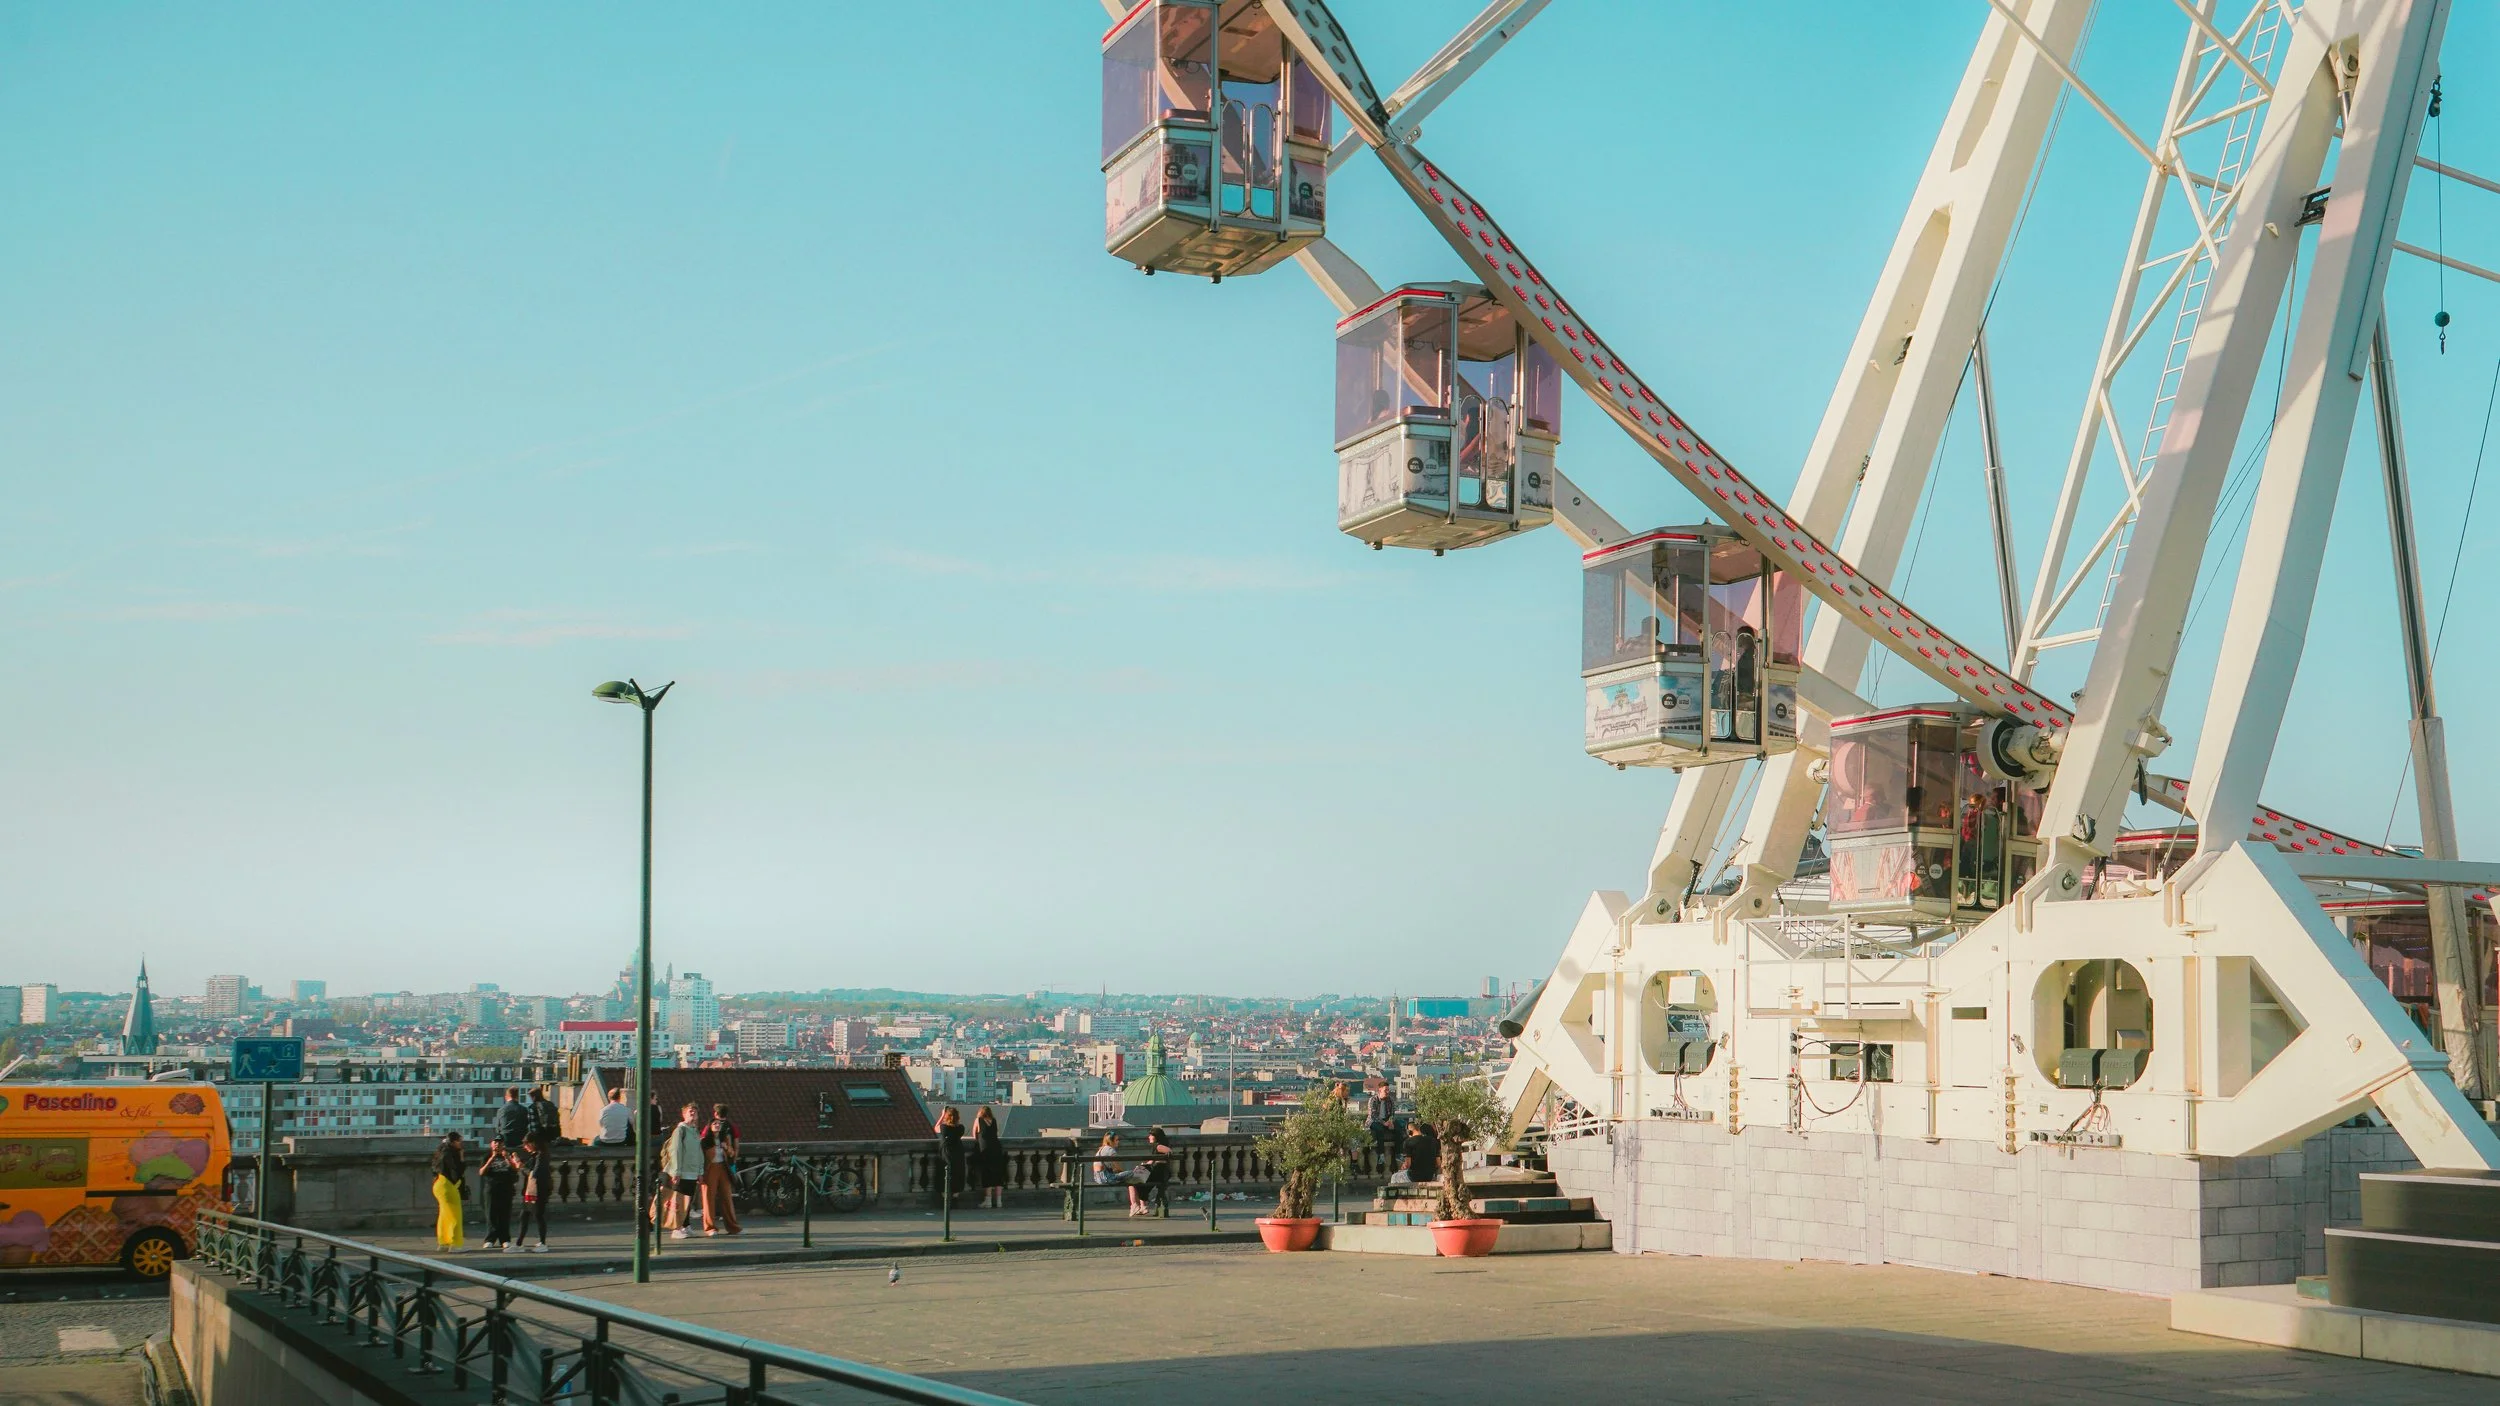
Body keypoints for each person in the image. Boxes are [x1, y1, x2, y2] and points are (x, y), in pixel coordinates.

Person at [659, 1103, 704, 1239]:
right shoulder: (680, 1130)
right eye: (690, 1111)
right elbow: (675, 1151)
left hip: (692, 1172)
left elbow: (699, 1152)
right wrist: (676, 1171)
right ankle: (676, 1228)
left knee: (688, 1202)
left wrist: (700, 1171)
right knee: (678, 1201)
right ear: (684, 1114)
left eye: (695, 1111)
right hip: (682, 1172)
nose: (693, 1113)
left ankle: (685, 1226)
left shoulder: (695, 1131)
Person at [699, 1103, 742, 1236]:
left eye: (719, 1124)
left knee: (727, 1197)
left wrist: (726, 1148)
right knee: (709, 1198)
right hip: (710, 1168)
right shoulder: (705, 1140)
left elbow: (732, 1153)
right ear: (710, 1126)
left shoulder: (725, 1138)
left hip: (723, 1167)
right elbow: (701, 1155)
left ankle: (733, 1227)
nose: (717, 1125)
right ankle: (710, 1227)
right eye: (715, 1124)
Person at [479, 1138, 521, 1251]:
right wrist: (491, 1159)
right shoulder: (486, 1156)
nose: (497, 1145)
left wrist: (507, 1158)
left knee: (505, 1214)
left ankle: (505, 1239)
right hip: (491, 1188)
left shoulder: (508, 1156)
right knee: (491, 1214)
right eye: (495, 1142)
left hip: (506, 1188)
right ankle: (490, 1239)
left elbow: (515, 1169)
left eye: (500, 1143)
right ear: (491, 1144)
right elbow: (481, 1172)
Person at [429, 1131, 467, 1252]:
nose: (461, 1143)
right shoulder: (452, 1153)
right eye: (460, 1141)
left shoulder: (441, 1151)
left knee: (444, 1215)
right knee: (455, 1215)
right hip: (448, 1186)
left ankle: (443, 1242)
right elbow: (457, 1170)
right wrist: (462, 1157)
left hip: (438, 1184)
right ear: (454, 1142)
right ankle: (455, 1244)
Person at [518, 1134, 553, 1252]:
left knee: (538, 1215)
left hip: (539, 1190)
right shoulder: (536, 1156)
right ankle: (519, 1243)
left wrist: (521, 1167)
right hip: (532, 1190)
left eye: (526, 1144)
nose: (525, 1147)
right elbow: (528, 1170)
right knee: (525, 1215)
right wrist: (520, 1165)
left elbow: (534, 1173)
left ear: (533, 1143)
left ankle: (542, 1243)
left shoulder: (541, 1156)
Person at [971, 1106, 1006, 1209]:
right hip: (997, 1148)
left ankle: (988, 1201)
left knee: (987, 1174)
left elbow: (974, 1135)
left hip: (985, 1149)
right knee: (998, 1175)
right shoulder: (994, 1121)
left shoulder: (978, 1120)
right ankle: (999, 1201)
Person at [934, 1106, 968, 1205]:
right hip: (958, 1152)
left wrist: (942, 1115)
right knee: (957, 1174)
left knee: (944, 1174)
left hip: (946, 1153)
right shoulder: (961, 1128)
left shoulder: (944, 1127)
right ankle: (955, 1200)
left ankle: (945, 1201)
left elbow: (936, 1128)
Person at [1140, 1126, 1175, 1217]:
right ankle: (1145, 1203)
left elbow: (1170, 1151)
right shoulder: (1156, 1146)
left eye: (1150, 1135)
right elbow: (1152, 1160)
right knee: (1142, 1181)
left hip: (1160, 1172)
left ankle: (1143, 1204)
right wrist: (1144, 1164)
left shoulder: (1158, 1146)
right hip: (1162, 1172)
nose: (1149, 1137)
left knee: (1140, 1182)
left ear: (1155, 1136)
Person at [1366, 1079, 1398, 1171]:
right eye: (1385, 1090)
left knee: (1399, 1128)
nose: (1387, 1092)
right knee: (1380, 1129)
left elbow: (1392, 1113)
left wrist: (1391, 1121)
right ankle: (1381, 1154)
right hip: (1374, 1122)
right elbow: (1373, 1115)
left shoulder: (1390, 1100)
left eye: (1388, 1090)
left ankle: (1399, 1153)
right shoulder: (1373, 1100)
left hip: (1386, 1120)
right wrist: (1384, 1123)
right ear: (1380, 1090)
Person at [1402, 1119, 1441, 1187]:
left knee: (1394, 1177)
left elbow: (1408, 1165)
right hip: (1429, 1176)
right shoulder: (1433, 1141)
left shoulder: (1408, 1142)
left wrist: (1403, 1166)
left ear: (1409, 1132)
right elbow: (1438, 1163)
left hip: (1414, 1177)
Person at [494, 1087, 531, 1152]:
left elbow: (498, 1128)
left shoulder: (501, 1110)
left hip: (506, 1140)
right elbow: (527, 1125)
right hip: (520, 1139)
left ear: (506, 1097)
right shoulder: (524, 1109)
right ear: (517, 1096)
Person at [529, 1085, 563, 1150]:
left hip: (542, 1138)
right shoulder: (551, 1104)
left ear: (533, 1097)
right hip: (555, 1136)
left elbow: (533, 1127)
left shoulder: (533, 1107)